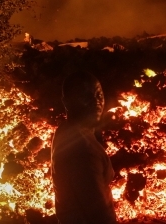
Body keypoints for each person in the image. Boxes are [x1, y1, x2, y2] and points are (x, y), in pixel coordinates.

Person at [51, 71, 117, 224]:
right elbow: (96, 209)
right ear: (67, 102)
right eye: (86, 97)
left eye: (99, 95)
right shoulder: (82, 148)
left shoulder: (68, 130)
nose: (96, 102)